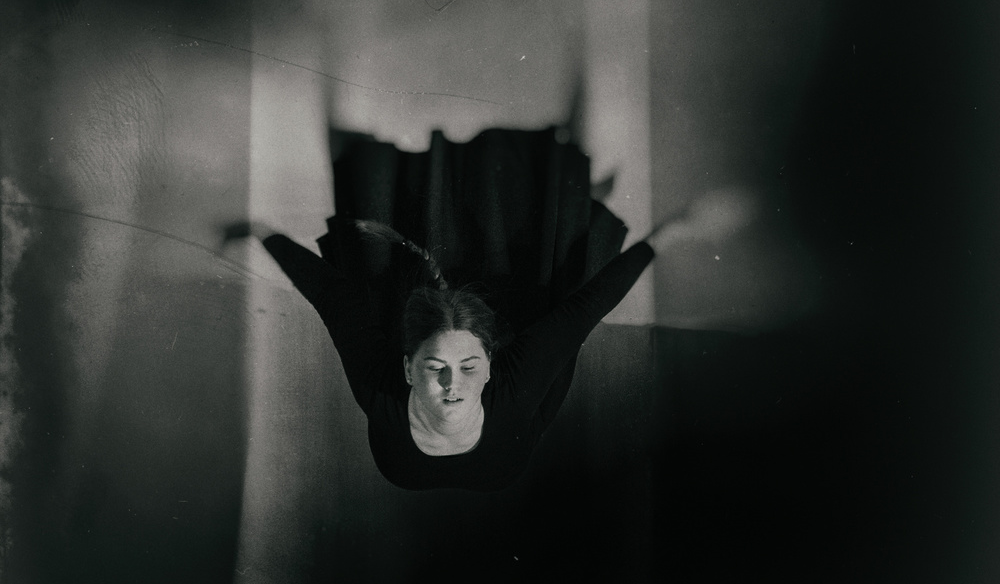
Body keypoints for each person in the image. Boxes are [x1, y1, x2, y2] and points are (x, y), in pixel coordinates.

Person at [227, 182, 751, 492]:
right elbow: (334, 299)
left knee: (559, 322)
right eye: (435, 368)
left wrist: (667, 234)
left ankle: (568, 206)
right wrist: (262, 232)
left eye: (468, 367)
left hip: (520, 421)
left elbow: (588, 306)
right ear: (407, 368)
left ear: (491, 367)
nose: (452, 385)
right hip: (503, 442)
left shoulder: (517, 386)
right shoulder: (379, 387)